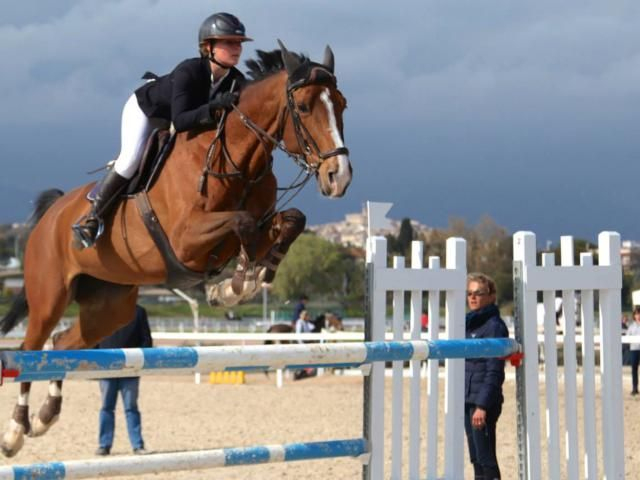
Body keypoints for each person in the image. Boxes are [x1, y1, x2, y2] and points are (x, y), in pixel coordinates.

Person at [72, 12, 252, 249]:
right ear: (208, 47)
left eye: (238, 43)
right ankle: (92, 218)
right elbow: (181, 119)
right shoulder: (189, 71)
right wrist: (214, 106)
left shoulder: (236, 81)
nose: (237, 48)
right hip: (147, 112)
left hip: (179, 119)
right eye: (229, 42)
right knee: (130, 160)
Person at [464, 273, 508, 480]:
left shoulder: (494, 326)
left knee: (486, 457)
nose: (473, 298)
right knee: (476, 458)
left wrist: (482, 406)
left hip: (483, 402)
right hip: (468, 398)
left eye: (478, 293)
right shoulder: (469, 324)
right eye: (470, 293)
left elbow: (494, 370)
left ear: (491, 296)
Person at [95, 305, 153, 456]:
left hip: (130, 370)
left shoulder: (139, 311)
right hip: (107, 369)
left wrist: (138, 363)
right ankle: (104, 445)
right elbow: (94, 339)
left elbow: (146, 340)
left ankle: (137, 445)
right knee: (107, 407)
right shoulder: (101, 311)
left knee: (131, 408)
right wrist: (95, 364)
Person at [293, 310, 316, 380]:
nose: (308, 317)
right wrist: (302, 344)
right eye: (307, 316)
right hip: (301, 343)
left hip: (306, 343)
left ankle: (307, 371)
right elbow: (298, 334)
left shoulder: (306, 322)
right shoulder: (300, 322)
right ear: (304, 316)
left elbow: (312, 327)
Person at [626, 306, 640, 395]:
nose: (638, 316)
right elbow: (627, 337)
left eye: (639, 314)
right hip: (634, 349)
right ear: (634, 315)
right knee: (634, 369)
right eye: (636, 314)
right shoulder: (631, 326)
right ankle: (635, 388)